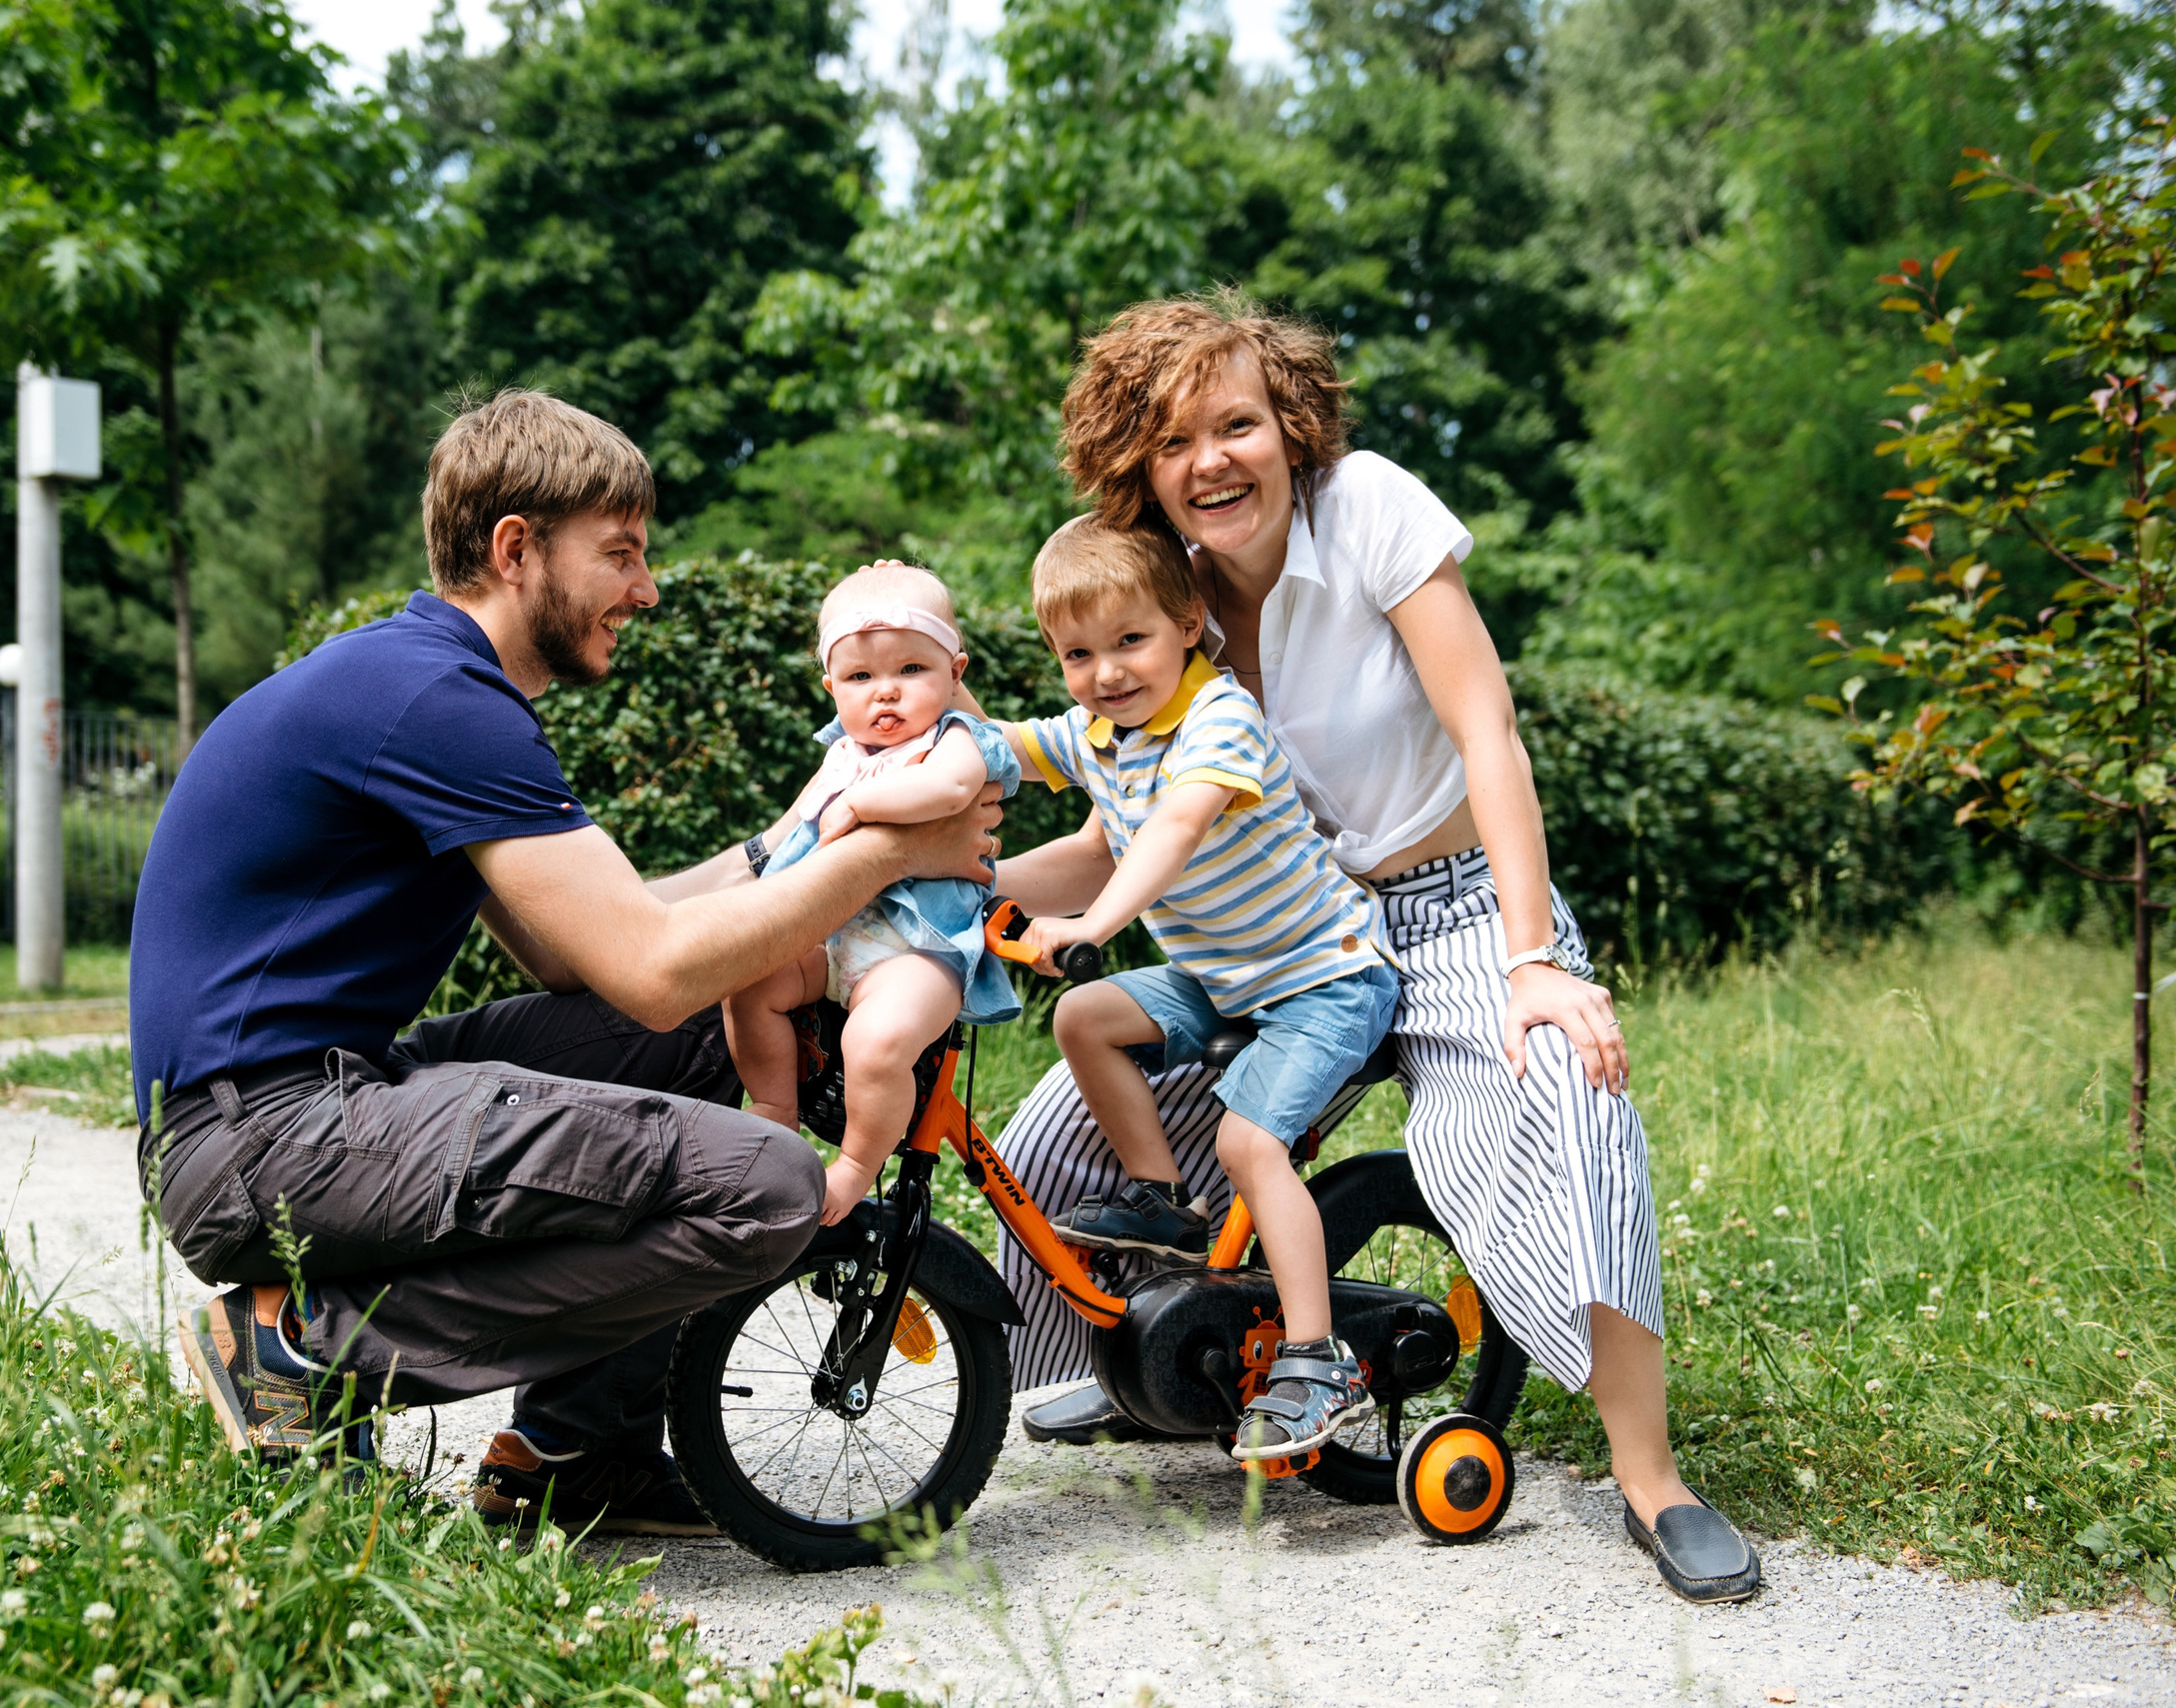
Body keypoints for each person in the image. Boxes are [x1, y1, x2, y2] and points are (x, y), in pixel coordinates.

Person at [992, 293, 1760, 1602]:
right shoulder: (1155, 605)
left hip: (1459, 905)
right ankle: (1154, 1378)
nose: (1213, 460)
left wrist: (1534, 959)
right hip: (1292, 934)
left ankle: (1652, 1472)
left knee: (1572, 1095)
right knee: (1056, 1135)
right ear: (1139, 466)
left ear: (1288, 424)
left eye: (1238, 424)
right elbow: (1120, 830)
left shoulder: (1370, 512)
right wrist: (943, 886)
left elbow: (1487, 736)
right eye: (1176, 443)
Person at [132, 388, 1000, 1534]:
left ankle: (573, 1452)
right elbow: (648, 965)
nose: (643, 588)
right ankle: (297, 1345)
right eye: (622, 553)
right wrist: (888, 856)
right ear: (514, 549)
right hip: (261, 1139)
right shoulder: (436, 699)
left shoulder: (425, 683)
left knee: (703, 1032)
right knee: (771, 1188)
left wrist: (783, 848)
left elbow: (580, 949)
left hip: (301, 1107)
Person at [1005, 514, 1400, 1461]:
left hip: (1323, 977)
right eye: (1077, 653)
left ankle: (1317, 1361)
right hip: (1223, 976)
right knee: (1085, 1016)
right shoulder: (1098, 734)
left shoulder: (1218, 715)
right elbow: (990, 752)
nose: (1107, 671)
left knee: (1249, 1142)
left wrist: (1095, 924)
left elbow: (1172, 832)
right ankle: (1160, 1198)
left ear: (1187, 621)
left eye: (1129, 640)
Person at [723, 562, 1022, 1225]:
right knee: (747, 980)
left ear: (955, 673)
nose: (885, 692)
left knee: (877, 1040)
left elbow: (946, 793)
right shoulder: (842, 751)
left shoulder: (959, 740)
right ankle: (774, 1117)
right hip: (828, 938)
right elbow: (794, 834)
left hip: (914, 950)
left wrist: (860, 802)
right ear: (830, 687)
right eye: (860, 677)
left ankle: (857, 1164)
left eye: (912, 670)